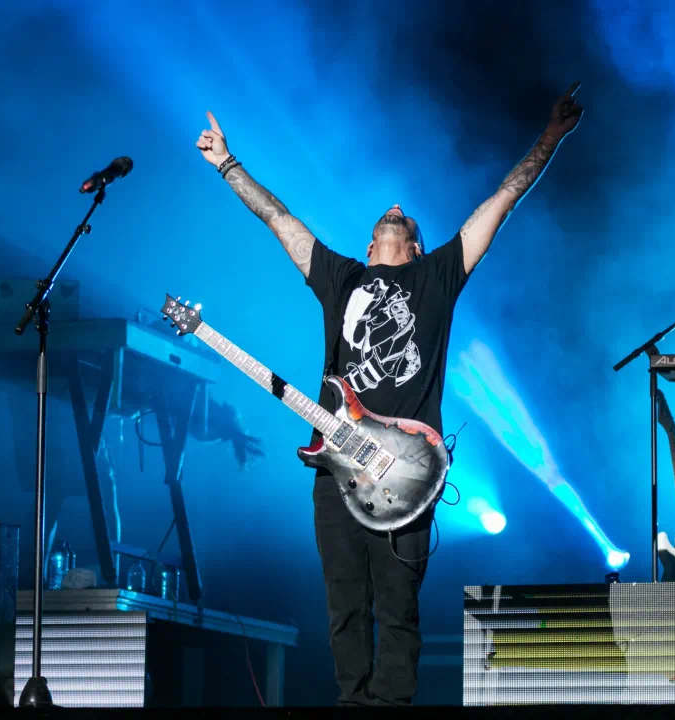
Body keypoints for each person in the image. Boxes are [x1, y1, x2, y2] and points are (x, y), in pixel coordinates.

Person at [195, 84, 583, 706]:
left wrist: (551, 137)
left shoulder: (438, 276)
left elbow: (502, 200)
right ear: (370, 246)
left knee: (397, 610)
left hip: (406, 470)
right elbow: (279, 219)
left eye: (407, 215)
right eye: (388, 214)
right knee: (344, 605)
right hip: (337, 468)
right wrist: (226, 163)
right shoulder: (341, 277)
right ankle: (352, 702)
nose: (396, 206)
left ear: (416, 246)